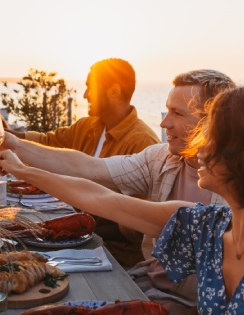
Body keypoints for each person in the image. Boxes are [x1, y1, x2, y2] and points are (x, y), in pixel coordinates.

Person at [0, 86, 244, 314]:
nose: (200, 144)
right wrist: (23, 170)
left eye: (213, 134)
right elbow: (99, 197)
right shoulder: (205, 226)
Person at [0, 69, 235, 314]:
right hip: (145, 282)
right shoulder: (162, 158)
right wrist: (16, 145)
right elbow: (89, 168)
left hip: (191, 304)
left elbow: (103, 200)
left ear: (213, 121)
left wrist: (23, 170)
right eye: (167, 110)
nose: (164, 122)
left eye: (177, 113)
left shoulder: (239, 190)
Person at [11, 58, 160, 267]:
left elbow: (137, 228)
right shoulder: (89, 125)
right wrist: (3, 134)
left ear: (114, 91)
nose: (85, 95)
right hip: (74, 236)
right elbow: (47, 142)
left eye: (90, 87)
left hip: (113, 257)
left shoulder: (143, 142)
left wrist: (74, 228)